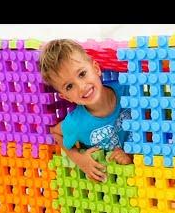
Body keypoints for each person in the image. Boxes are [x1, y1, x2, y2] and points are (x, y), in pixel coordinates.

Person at [38, 39, 132, 182]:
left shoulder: (128, 90)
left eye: (82, 74)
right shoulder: (76, 123)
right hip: (111, 181)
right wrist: (80, 160)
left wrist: (131, 155)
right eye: (69, 86)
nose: (81, 87)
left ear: (96, 68)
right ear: (66, 97)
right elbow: (55, 132)